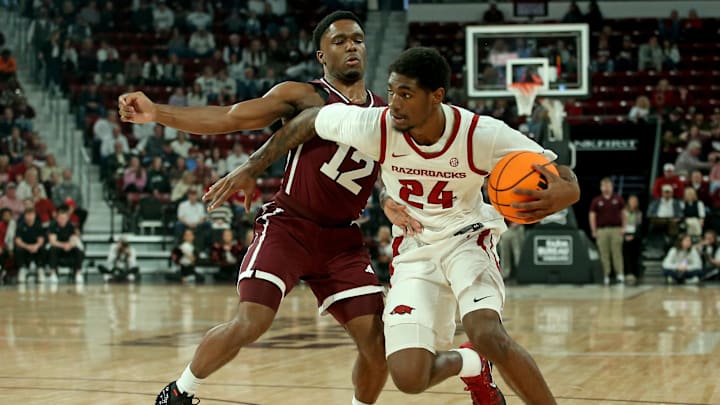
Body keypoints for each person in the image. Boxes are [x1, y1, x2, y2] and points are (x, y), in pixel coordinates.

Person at [205, 47, 580, 405]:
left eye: (406, 94)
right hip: (415, 251)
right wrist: (251, 167)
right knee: (408, 377)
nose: (394, 103)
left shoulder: (481, 133)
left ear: (436, 96)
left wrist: (564, 195)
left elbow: (563, 174)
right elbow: (308, 121)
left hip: (467, 241)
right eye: (391, 92)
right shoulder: (377, 125)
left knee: (485, 331)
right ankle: (471, 364)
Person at [119, 11, 407, 405]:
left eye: (357, 39)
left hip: (342, 239)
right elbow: (230, 117)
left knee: (377, 344)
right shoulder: (304, 95)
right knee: (252, 321)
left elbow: (396, 172)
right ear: (322, 56)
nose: (351, 46)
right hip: (290, 226)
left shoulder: (384, 113)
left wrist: (391, 200)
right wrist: (158, 113)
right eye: (339, 41)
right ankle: (180, 391)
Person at [589, 177, 626, 285]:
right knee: (603, 254)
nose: (606, 188)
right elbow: (592, 216)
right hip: (602, 230)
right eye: (604, 186)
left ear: (612, 187)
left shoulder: (618, 199)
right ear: (601, 187)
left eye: (608, 185)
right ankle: (605, 275)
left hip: (616, 229)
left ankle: (620, 274)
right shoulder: (597, 201)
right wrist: (594, 230)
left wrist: (624, 227)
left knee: (617, 253)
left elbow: (624, 214)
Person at [14, 208, 46, 283]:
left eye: (31, 214)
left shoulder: (38, 225)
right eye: (28, 215)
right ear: (25, 216)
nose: (30, 217)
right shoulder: (20, 226)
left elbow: (41, 240)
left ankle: (40, 269)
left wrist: (36, 246)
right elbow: (18, 241)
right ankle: (22, 269)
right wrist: (27, 247)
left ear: (35, 215)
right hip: (25, 247)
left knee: (42, 249)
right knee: (18, 250)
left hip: (36, 247)